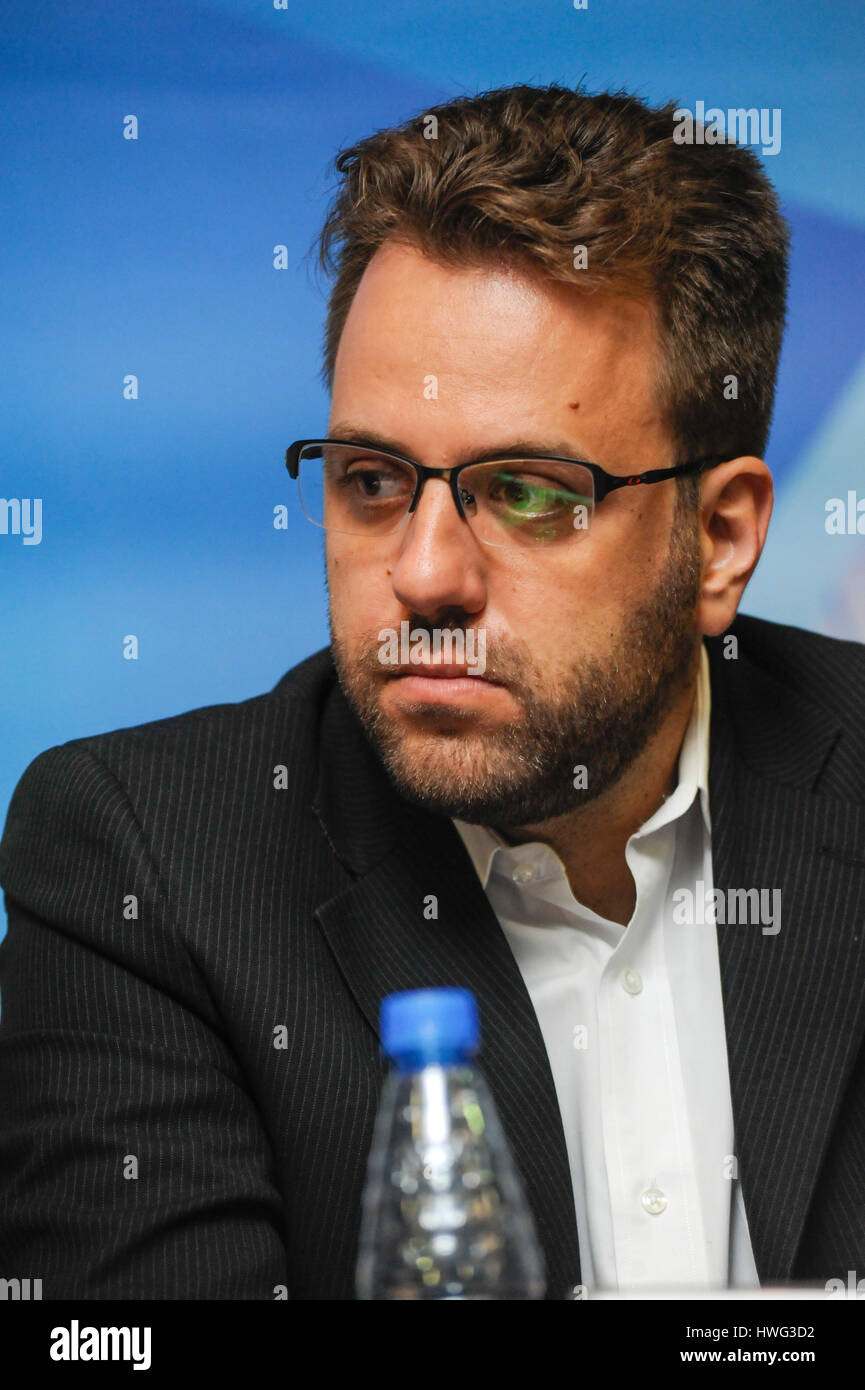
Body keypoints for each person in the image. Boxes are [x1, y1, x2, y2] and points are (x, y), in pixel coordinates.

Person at [1, 83, 864, 1301]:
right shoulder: (143, 863)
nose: (422, 576)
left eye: (524, 491)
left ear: (718, 538)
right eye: (370, 479)